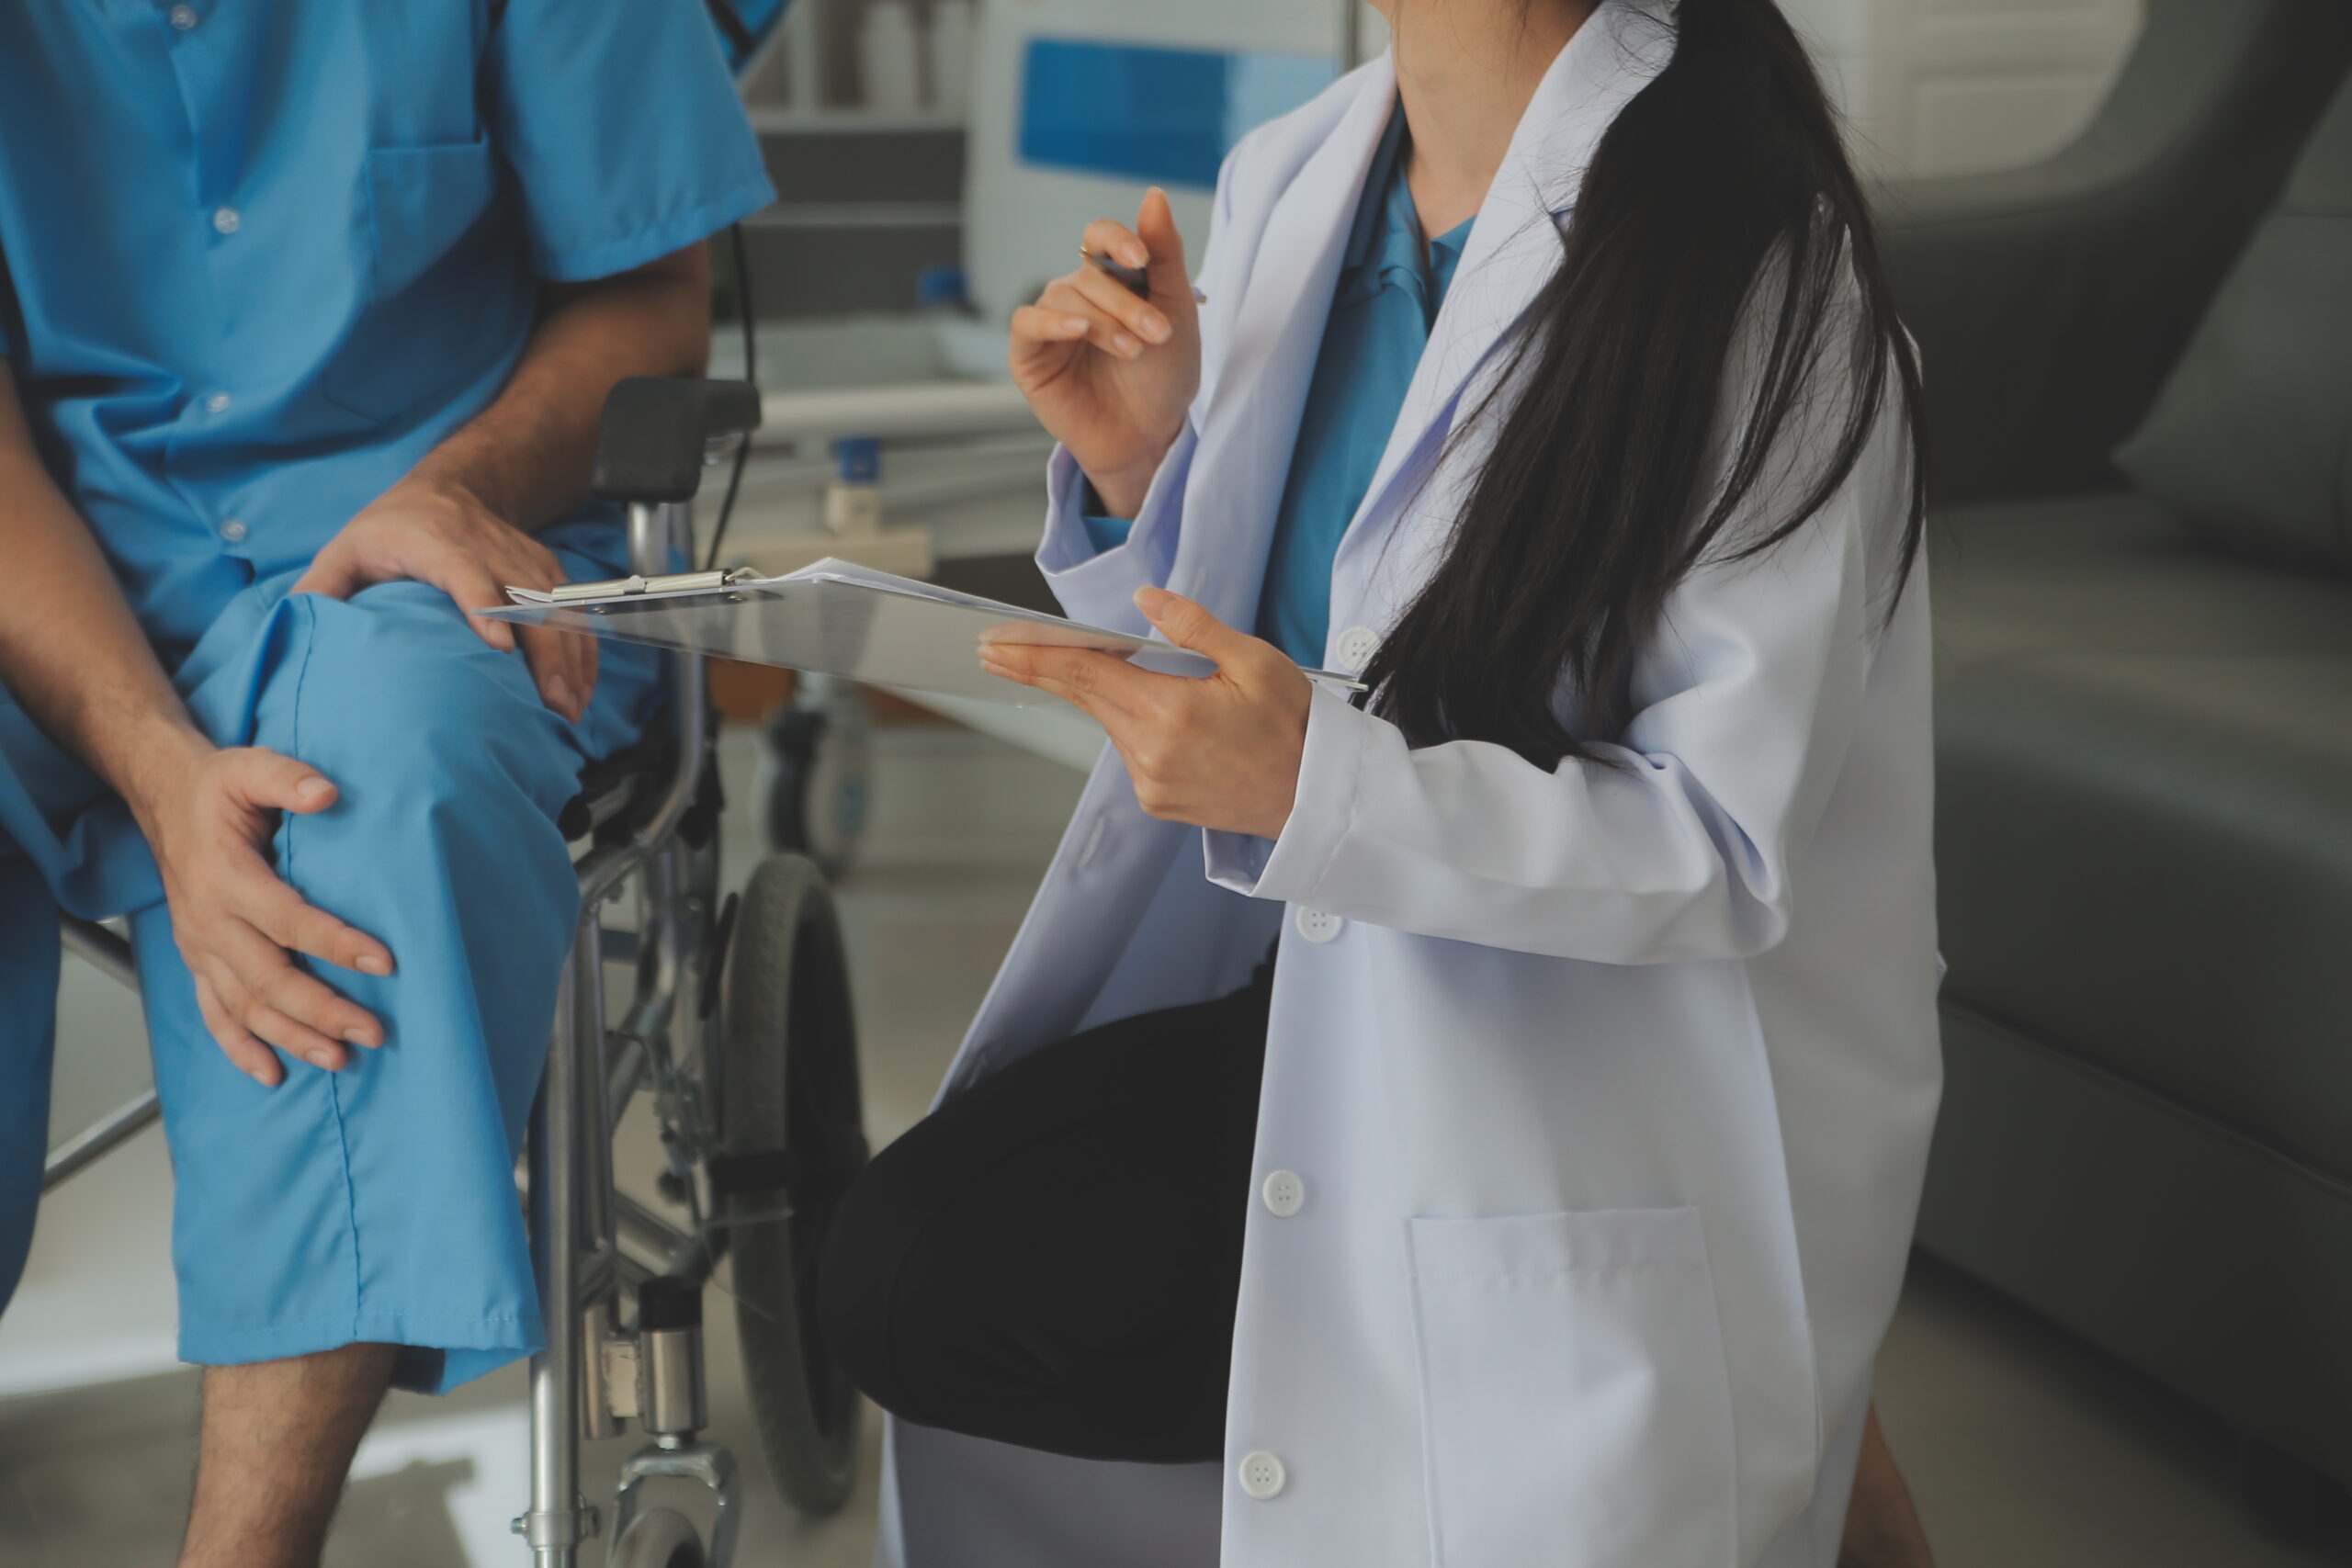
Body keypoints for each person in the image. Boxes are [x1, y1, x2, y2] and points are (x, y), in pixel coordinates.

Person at [813, 0, 1944, 1564]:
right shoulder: (1301, 173)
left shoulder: (1753, 268)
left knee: (948, 1284)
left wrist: (1313, 792)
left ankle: (1805, 1442)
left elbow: (1722, 845)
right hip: (1316, 987)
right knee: (910, 1273)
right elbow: (1297, 640)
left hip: (1572, 1073)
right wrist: (1151, 476)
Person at [0, 4, 772, 1564]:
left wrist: (453, 486)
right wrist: (158, 770)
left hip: (436, 551)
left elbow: (648, 297)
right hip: (72, 577)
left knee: (362, 776)